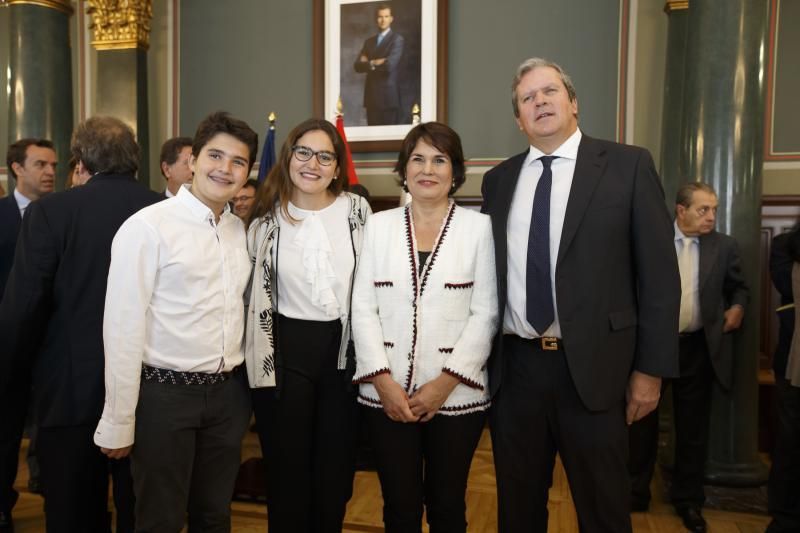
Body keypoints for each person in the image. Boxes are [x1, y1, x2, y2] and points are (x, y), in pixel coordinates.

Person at [481, 57, 680, 532]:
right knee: (517, 510)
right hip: (517, 372)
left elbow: (659, 277)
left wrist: (650, 371)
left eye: (549, 91)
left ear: (573, 102)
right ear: (518, 119)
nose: (540, 102)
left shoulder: (628, 165)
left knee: (604, 512)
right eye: (528, 98)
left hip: (596, 372)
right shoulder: (499, 180)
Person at [93, 112, 257, 531]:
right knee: (160, 520)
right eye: (215, 156)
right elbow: (122, 328)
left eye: (238, 162)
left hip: (225, 399)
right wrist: (118, 419)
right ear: (193, 161)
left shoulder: (238, 230)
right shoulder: (147, 227)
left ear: (247, 173)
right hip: (164, 398)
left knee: (214, 516)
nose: (225, 168)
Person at [0, 117, 160, 533]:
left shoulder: (51, 212)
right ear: (135, 159)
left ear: (81, 160)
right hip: (151, 389)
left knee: (73, 513)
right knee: (142, 512)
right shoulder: (164, 211)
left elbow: (24, 307)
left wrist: (13, 375)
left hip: (68, 388)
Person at [351, 122, 497, 532]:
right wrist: (382, 381)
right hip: (386, 395)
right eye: (417, 159)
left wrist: (442, 386)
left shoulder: (480, 229)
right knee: (399, 507)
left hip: (456, 395)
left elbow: (485, 313)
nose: (427, 169)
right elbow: (362, 307)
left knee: (448, 505)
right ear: (404, 168)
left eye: (439, 159)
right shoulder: (377, 227)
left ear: (455, 171)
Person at [245, 118, 371, 532]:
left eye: (324, 156)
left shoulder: (358, 211)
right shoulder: (265, 221)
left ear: (337, 167)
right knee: (287, 473)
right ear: (288, 157)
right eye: (303, 152)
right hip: (284, 356)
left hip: (344, 356)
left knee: (334, 473)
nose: (312, 163)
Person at [629, 182, 747, 531]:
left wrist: (738, 306)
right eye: (703, 209)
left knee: (693, 429)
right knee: (641, 423)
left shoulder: (724, 247)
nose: (711, 216)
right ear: (681, 211)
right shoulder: (653, 240)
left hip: (698, 348)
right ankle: (635, 492)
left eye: (713, 209)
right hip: (653, 344)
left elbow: (739, 285)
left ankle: (689, 501)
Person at [0, 138, 56, 532]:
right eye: (40, 164)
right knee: (3, 436)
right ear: (17, 169)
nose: (50, 171)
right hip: (6, 349)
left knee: (56, 436)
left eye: (54, 164)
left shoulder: (63, 214)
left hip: (54, 349)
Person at [767, 226, 800, 533]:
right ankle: (784, 519)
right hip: (793, 364)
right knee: (790, 444)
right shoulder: (784, 245)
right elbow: (785, 286)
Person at [353, 3, 405, 126]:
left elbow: (389, 66)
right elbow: (357, 66)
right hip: (372, 97)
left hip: (388, 98)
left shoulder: (397, 39)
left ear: (391, 18)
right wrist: (375, 62)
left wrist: (368, 63)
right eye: (380, 16)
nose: (383, 20)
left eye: (386, 16)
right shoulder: (369, 42)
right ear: (376, 19)